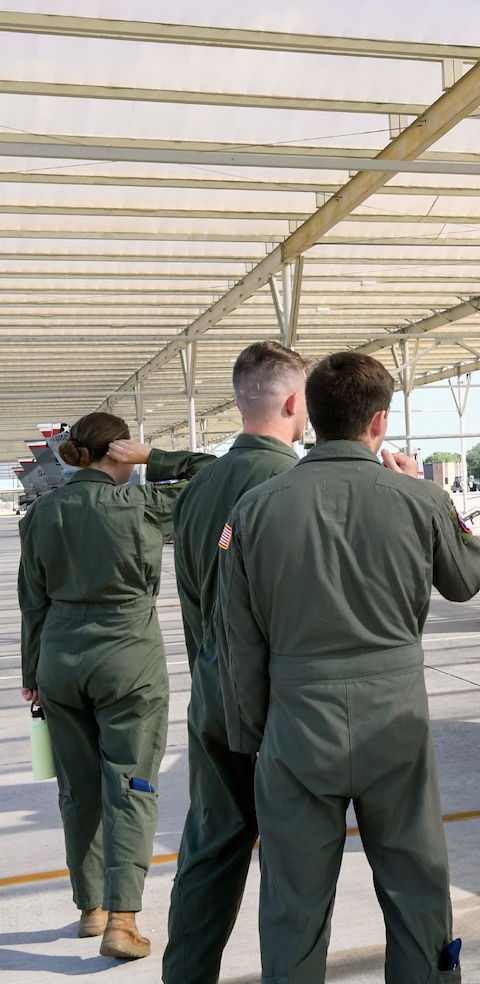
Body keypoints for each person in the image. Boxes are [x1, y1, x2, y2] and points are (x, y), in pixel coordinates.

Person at [216, 351, 480, 984]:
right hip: (395, 722)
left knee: (294, 904)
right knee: (417, 887)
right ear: (380, 421)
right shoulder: (415, 500)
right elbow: (468, 579)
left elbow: (238, 637)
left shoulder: (254, 508)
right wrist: (436, 497)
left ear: (311, 414)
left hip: (296, 724)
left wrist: (254, 733)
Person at [16, 414, 214, 958]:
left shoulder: (40, 513)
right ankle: (122, 921)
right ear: (118, 450)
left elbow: (32, 602)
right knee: (131, 785)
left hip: (59, 660)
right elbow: (215, 474)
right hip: (128, 657)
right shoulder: (144, 506)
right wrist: (154, 458)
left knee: (77, 789)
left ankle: (90, 908)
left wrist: (33, 673)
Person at [163, 341, 309, 984]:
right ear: (294, 402)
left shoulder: (199, 488)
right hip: (274, 705)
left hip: (210, 698)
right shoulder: (289, 481)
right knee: (294, 858)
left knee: (211, 846)